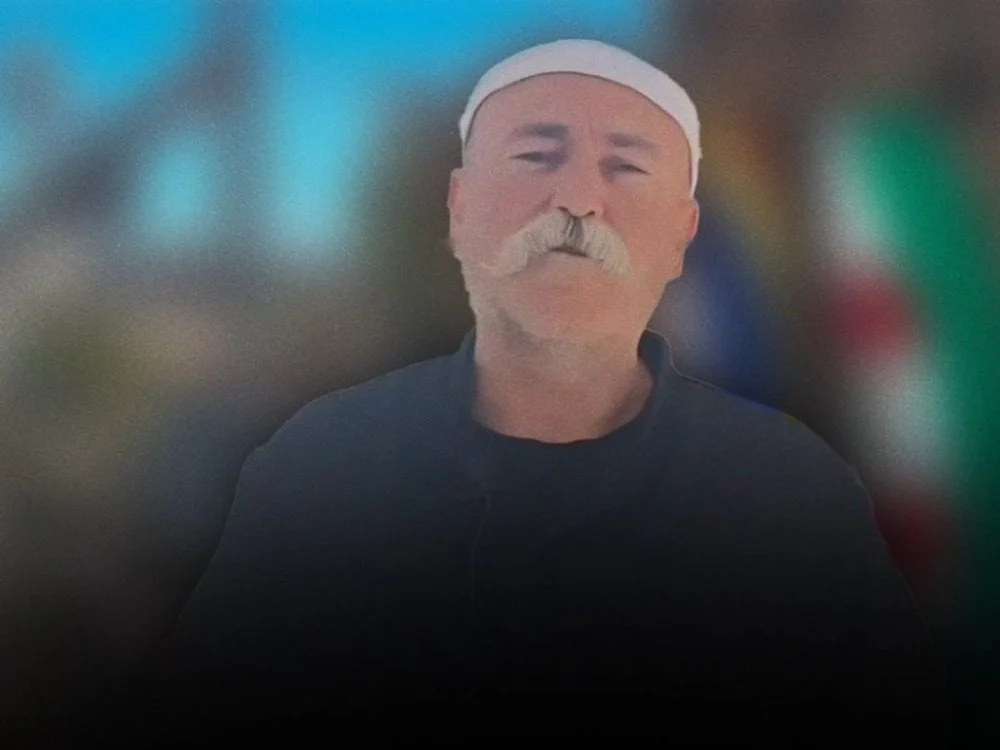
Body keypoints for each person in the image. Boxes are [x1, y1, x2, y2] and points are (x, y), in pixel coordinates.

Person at [129, 39, 947, 744]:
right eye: (536, 156)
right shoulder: (316, 477)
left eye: (626, 166)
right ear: (460, 209)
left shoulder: (795, 502)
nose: (578, 200)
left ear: (681, 236)